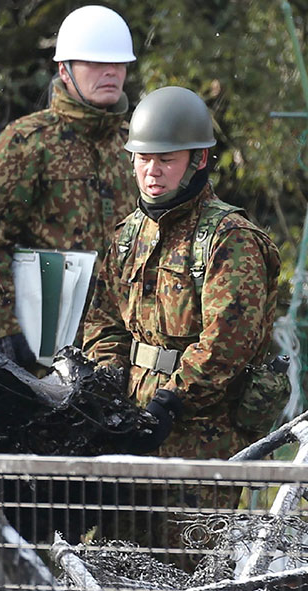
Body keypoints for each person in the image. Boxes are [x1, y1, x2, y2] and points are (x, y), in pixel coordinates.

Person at [84, 85, 282, 462]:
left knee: (194, 525)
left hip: (204, 436)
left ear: (199, 159)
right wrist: (109, 381)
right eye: (143, 159)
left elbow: (227, 344)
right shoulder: (129, 234)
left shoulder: (230, 238)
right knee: (120, 523)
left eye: (166, 160)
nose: (152, 172)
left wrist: (171, 401)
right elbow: (104, 322)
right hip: (130, 422)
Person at [0, 5, 137, 368]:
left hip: (120, 342)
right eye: (94, 63)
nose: (110, 72)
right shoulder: (28, 141)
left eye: (118, 64)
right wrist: (5, 328)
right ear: (65, 70)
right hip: (43, 342)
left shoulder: (135, 146)